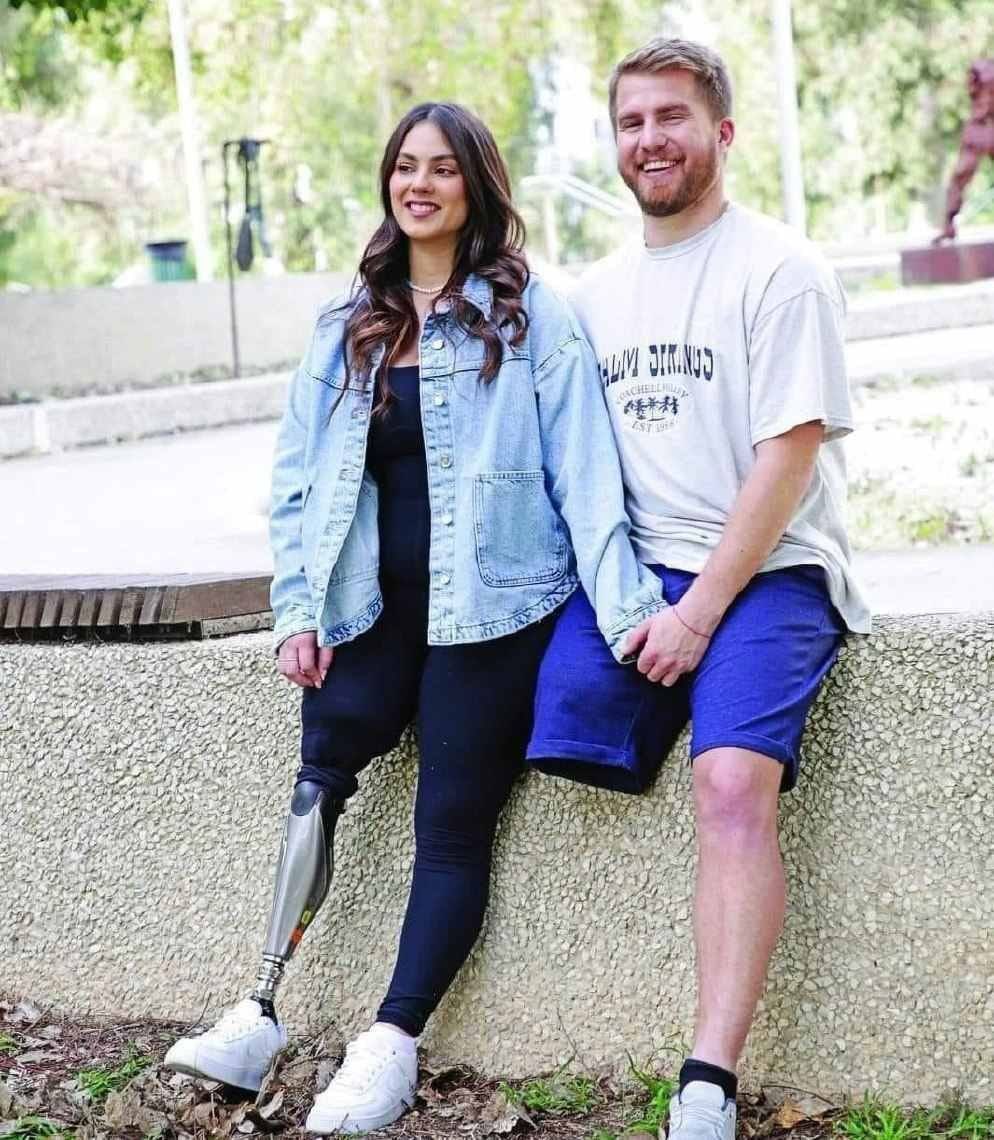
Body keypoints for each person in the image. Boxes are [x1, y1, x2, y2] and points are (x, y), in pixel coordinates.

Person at [163, 101, 664, 1135]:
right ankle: (256, 1010)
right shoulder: (348, 322)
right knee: (321, 775)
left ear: (476, 184)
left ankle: (388, 1042)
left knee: (449, 826)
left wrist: (629, 615)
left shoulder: (532, 315)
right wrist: (295, 608)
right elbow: (299, 478)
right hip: (370, 608)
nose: (419, 182)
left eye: (441, 167)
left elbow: (585, 471)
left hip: (494, 612)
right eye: (404, 165)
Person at [526, 38, 871, 1140]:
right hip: (639, 573)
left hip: (767, 571)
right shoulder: (591, 297)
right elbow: (577, 470)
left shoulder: (781, 269)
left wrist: (694, 614)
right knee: (497, 720)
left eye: (671, 118)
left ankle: (705, 1083)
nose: (649, 141)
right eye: (630, 123)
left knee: (728, 784)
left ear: (720, 133)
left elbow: (788, 459)